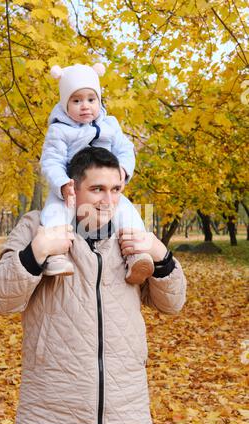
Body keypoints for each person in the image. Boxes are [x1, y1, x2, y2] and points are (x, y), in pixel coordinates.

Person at [0, 147, 187, 424]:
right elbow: (0, 299)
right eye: (97, 189)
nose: (108, 200)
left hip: (127, 416)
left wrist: (161, 254)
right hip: (49, 419)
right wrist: (36, 252)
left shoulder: (131, 234)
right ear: (72, 189)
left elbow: (172, 304)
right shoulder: (36, 226)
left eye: (115, 189)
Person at [40, 62, 153, 284]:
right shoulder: (59, 130)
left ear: (99, 100)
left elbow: (125, 149)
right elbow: (51, 161)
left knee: (128, 212)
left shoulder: (110, 124)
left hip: (104, 184)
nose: (85, 106)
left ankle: (136, 255)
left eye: (91, 99)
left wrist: (122, 170)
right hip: (71, 184)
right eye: (76, 100)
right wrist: (62, 184)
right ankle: (55, 256)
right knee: (54, 212)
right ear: (65, 103)